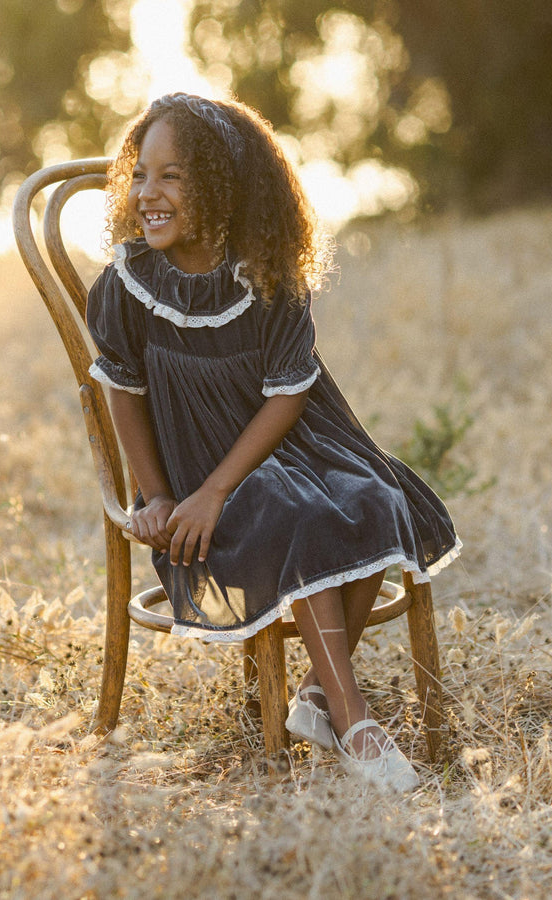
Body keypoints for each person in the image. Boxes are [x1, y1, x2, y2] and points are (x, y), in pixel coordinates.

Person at [86, 93, 461, 792]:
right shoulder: (127, 284)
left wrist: (219, 489)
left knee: (376, 493)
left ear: (222, 187)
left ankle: (319, 696)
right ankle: (353, 720)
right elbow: (125, 394)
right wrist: (166, 493)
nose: (147, 193)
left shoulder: (267, 274)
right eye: (140, 174)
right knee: (302, 514)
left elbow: (290, 393)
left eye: (172, 176)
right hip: (192, 467)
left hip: (289, 444)